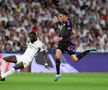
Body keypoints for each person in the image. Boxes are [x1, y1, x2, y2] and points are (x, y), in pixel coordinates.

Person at [52, 9, 96, 81]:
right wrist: (56, 22)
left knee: (75, 60)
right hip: (62, 44)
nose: (60, 17)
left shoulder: (69, 22)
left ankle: (88, 50)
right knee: (57, 55)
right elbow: (61, 27)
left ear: (65, 16)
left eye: (61, 16)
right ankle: (58, 74)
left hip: (68, 43)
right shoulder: (63, 22)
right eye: (59, 16)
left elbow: (68, 33)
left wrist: (61, 37)